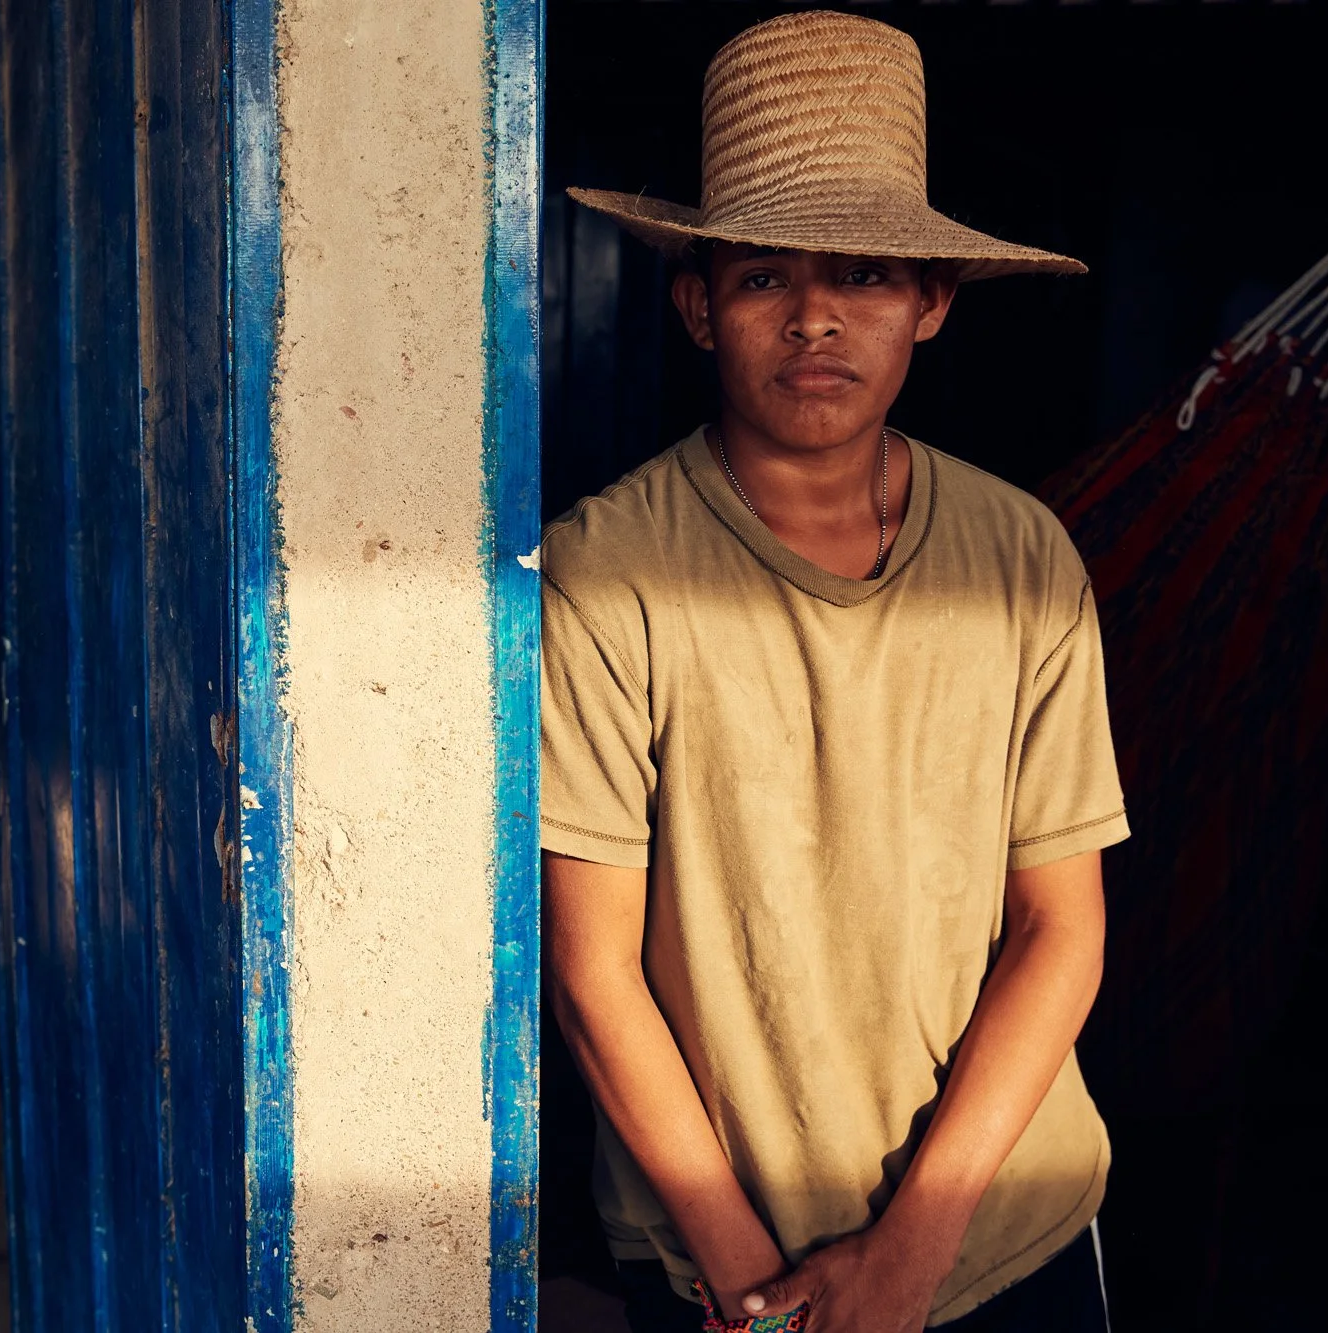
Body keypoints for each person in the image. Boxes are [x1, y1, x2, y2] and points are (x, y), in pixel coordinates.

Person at [542, 12, 1128, 1332]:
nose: (814, 315)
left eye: (863, 273)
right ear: (699, 307)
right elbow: (593, 974)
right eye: (763, 276)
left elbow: (1063, 927)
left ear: (932, 303)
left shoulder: (1022, 557)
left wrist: (911, 1253)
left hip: (1006, 1226)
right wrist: (757, 1288)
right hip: (720, 1257)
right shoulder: (606, 572)